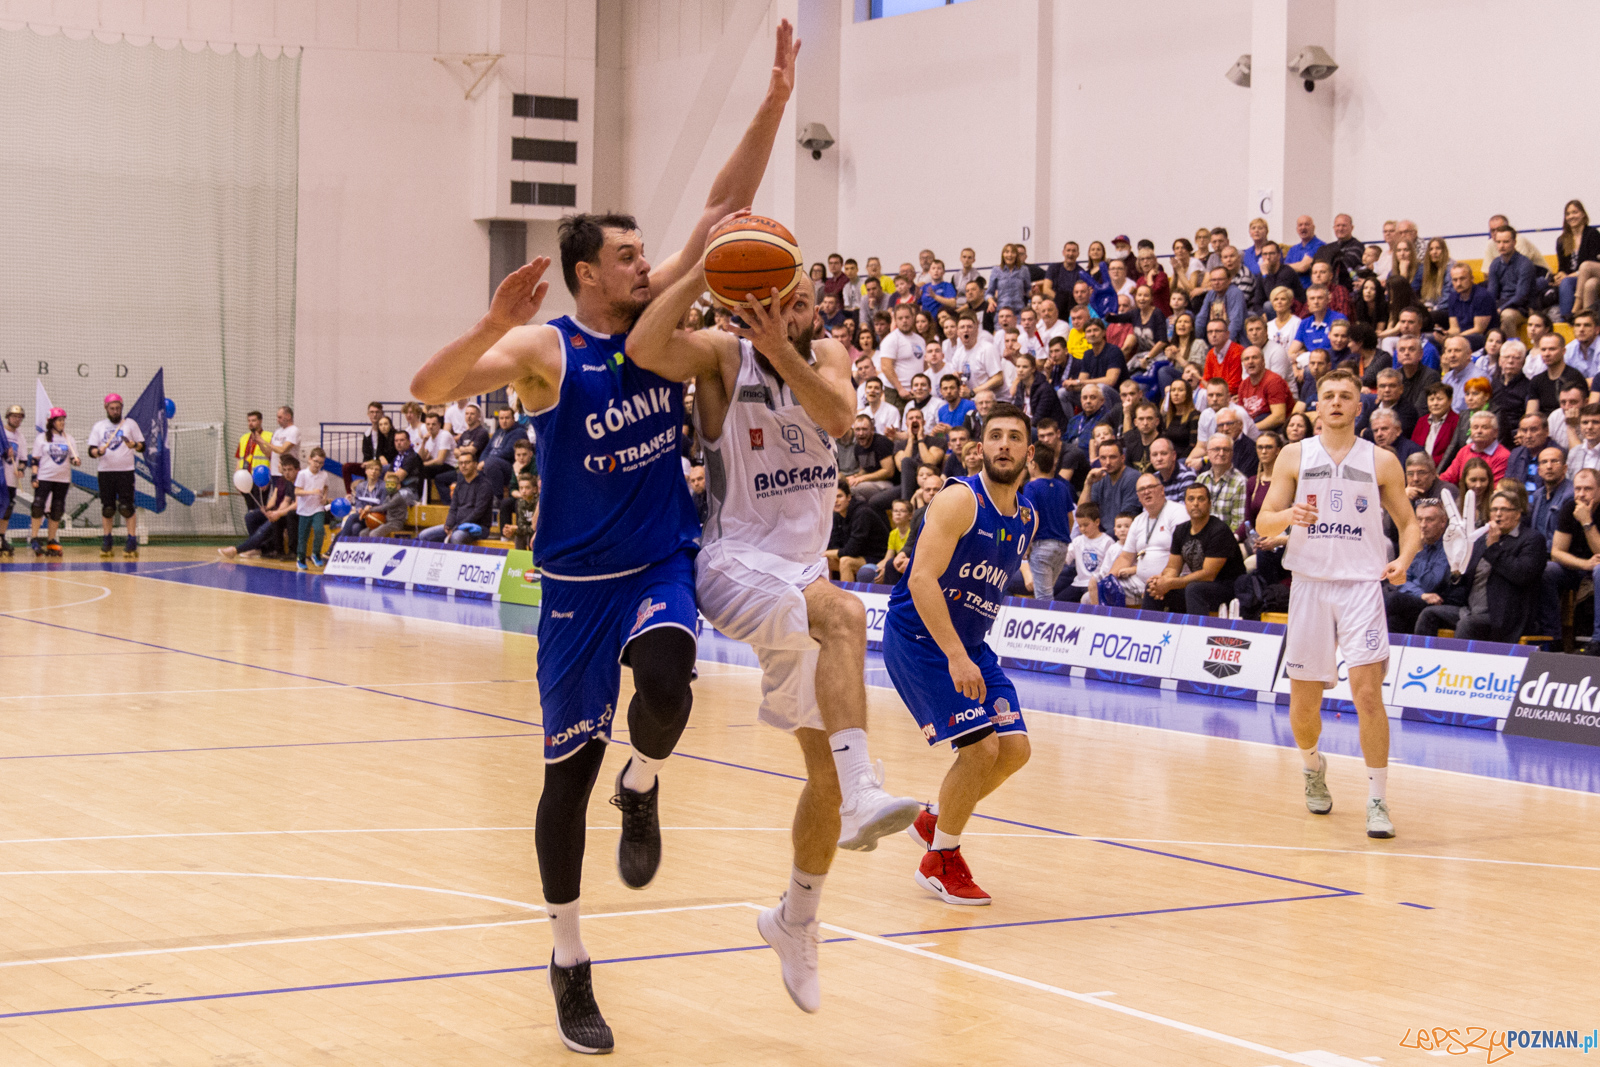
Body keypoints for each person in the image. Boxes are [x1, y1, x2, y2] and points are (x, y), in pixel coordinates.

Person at [405, 21, 799, 1052]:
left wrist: (772, 101)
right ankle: (569, 960)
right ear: (589, 275)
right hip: (575, 586)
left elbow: (720, 213)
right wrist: (488, 323)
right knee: (560, 780)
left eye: (643, 254)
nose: (647, 264)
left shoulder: (656, 325)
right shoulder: (547, 346)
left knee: (667, 683)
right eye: (628, 257)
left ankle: (647, 780)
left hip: (660, 558)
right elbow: (427, 389)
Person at [1256, 368, 1420, 840]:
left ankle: (1377, 799)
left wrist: (1404, 560)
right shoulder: (1293, 454)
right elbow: (1265, 523)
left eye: (1345, 396)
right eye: (1327, 395)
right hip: (1308, 584)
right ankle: (1312, 766)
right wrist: (1290, 514)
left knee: (1368, 694)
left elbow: (1408, 525)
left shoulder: (1382, 460)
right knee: (1305, 708)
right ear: (1316, 405)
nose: (1335, 403)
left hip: (1361, 588)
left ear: (1357, 407)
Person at [885, 403, 1036, 906]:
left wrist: (966, 651)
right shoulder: (958, 500)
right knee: (979, 749)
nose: (1004, 445)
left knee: (1014, 750)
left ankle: (934, 820)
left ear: (1028, 453)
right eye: (995, 436)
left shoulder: (1028, 518)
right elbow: (922, 579)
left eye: (1015, 437)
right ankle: (941, 859)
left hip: (969, 646)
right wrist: (955, 654)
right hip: (921, 641)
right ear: (980, 448)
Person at [1415, 490, 1547, 644]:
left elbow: (1522, 575)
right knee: (1429, 614)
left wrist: (1493, 547)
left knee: (1468, 624)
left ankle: (1456, 667)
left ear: (1518, 514)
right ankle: (1423, 663)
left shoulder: (1531, 539)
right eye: (1494, 509)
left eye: (1504, 509)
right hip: (1470, 610)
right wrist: (1456, 570)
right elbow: (1463, 580)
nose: (1498, 514)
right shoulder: (1479, 539)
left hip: (1504, 616)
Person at [1144, 482, 1247, 615]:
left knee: (1194, 589)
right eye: (1191, 499)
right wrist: (1162, 582)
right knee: (1152, 586)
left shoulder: (1219, 530)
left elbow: (1208, 574)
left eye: (1201, 499)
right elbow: (1172, 568)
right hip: (1198, 586)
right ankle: (1149, 633)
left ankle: (1196, 633)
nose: (1196, 503)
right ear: (1185, 504)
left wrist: (1171, 583)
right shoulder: (1181, 530)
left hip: (1228, 589)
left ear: (1209, 504)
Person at [1098, 472, 1191, 606]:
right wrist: (1109, 578)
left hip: (1172, 579)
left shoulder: (1177, 512)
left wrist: (1162, 578)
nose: (1146, 492)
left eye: (1150, 487)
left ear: (1161, 490)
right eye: (1142, 490)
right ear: (1138, 497)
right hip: (1140, 581)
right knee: (1100, 589)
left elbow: (1180, 554)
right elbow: (1125, 557)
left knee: (1150, 588)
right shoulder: (1139, 520)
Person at [86, 393, 146, 559]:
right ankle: (107, 540)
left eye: (118, 408)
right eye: (112, 409)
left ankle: (132, 540)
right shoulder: (99, 426)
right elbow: (91, 450)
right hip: (106, 472)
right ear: (106, 408)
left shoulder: (130, 424)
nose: (115, 411)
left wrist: (134, 445)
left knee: (126, 507)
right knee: (108, 508)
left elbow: (143, 446)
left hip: (125, 471)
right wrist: (98, 451)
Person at [1381, 499, 1451, 635]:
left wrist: (1419, 550)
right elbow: (1402, 580)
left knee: (1393, 600)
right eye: (1419, 520)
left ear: (1443, 522)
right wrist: (1421, 594)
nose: (1423, 525)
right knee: (1394, 621)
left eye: (1429, 520)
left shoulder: (1448, 547)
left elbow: (1430, 583)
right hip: (1419, 598)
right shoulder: (1415, 544)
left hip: (1439, 602)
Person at [1552, 468, 1600, 654]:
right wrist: (1584, 564)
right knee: (1548, 571)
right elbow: (1557, 552)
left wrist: (1587, 522)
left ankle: (1597, 640)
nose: (1581, 494)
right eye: (1577, 488)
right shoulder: (1569, 507)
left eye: (1587, 489)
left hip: (1597, 569)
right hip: (1577, 567)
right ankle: (1553, 637)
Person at [219, 453, 300, 560]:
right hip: (281, 511)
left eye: (288, 469)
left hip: (292, 514)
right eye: (284, 469)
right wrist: (269, 510)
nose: (285, 472)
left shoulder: (299, 481)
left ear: (297, 469)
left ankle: (236, 550)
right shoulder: (284, 481)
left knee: (264, 529)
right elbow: (284, 500)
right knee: (251, 516)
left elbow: (296, 504)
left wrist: (277, 513)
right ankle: (259, 547)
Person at [1023, 441, 1075, 600]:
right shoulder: (1062, 487)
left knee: (1043, 597)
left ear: (1034, 464)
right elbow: (1071, 519)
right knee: (1046, 592)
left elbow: (1030, 517)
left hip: (1042, 546)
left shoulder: (1030, 487)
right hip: (1062, 547)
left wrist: (1026, 545)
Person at [27, 407, 81, 557]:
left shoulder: (69, 439)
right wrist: (34, 476)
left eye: (63, 420)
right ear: (51, 422)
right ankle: (35, 538)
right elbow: (35, 459)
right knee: (38, 505)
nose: (62, 422)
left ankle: (51, 539)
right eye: (59, 420)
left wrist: (76, 461)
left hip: (62, 479)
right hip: (44, 478)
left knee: (57, 509)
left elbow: (72, 457)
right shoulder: (42, 438)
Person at [418, 446, 494, 545]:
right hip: (457, 525)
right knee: (424, 535)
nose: (463, 466)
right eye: (461, 463)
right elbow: (453, 507)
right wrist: (449, 524)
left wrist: (457, 527)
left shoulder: (484, 485)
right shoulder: (460, 483)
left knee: (456, 537)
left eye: (467, 463)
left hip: (477, 527)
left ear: (475, 464)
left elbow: (478, 512)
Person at [1486, 226, 1539, 338]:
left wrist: (1501, 308)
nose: (1501, 245)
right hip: (1503, 305)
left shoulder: (1525, 264)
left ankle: (1512, 350)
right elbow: (1491, 293)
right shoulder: (1495, 264)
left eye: (1506, 242)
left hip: (1524, 308)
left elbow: (1521, 296)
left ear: (1514, 242)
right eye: (1498, 242)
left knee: (1507, 315)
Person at [292, 447, 333, 569]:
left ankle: (316, 553)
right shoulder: (302, 474)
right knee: (303, 536)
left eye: (321, 463)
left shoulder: (324, 475)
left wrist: (324, 497)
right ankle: (301, 557)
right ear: (310, 459)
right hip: (304, 509)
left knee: (319, 530)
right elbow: (297, 491)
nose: (318, 465)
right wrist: (311, 492)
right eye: (316, 461)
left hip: (318, 508)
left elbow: (325, 487)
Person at [1080, 438, 1140, 518]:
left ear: (1122, 458)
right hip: (1101, 529)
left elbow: (1127, 518)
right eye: (1103, 458)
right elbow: (1082, 515)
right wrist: (1088, 484)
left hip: (1124, 528)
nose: (1107, 462)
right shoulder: (1099, 477)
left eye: (1112, 457)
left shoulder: (1132, 478)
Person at [1237, 345, 1290, 432]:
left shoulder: (1273, 381)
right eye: (1246, 359)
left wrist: (1251, 429)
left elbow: (1279, 417)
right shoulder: (1243, 385)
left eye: (1254, 358)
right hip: (1255, 428)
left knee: (1261, 417)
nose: (1250, 362)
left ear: (1263, 361)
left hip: (1275, 430)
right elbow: (1241, 416)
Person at [1412, 382, 1459, 467]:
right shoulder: (1422, 421)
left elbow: (1452, 453)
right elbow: (1413, 446)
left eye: (1439, 399)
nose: (1435, 403)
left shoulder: (1456, 421)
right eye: (1431, 399)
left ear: (1450, 400)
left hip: (1442, 469)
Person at [361, 469, 416, 540]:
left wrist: (370, 509)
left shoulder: (398, 497)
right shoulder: (388, 497)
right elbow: (382, 507)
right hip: (387, 522)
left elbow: (385, 507)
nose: (389, 487)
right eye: (387, 484)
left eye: (392, 485)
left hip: (396, 524)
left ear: (398, 486)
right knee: (363, 533)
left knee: (374, 534)